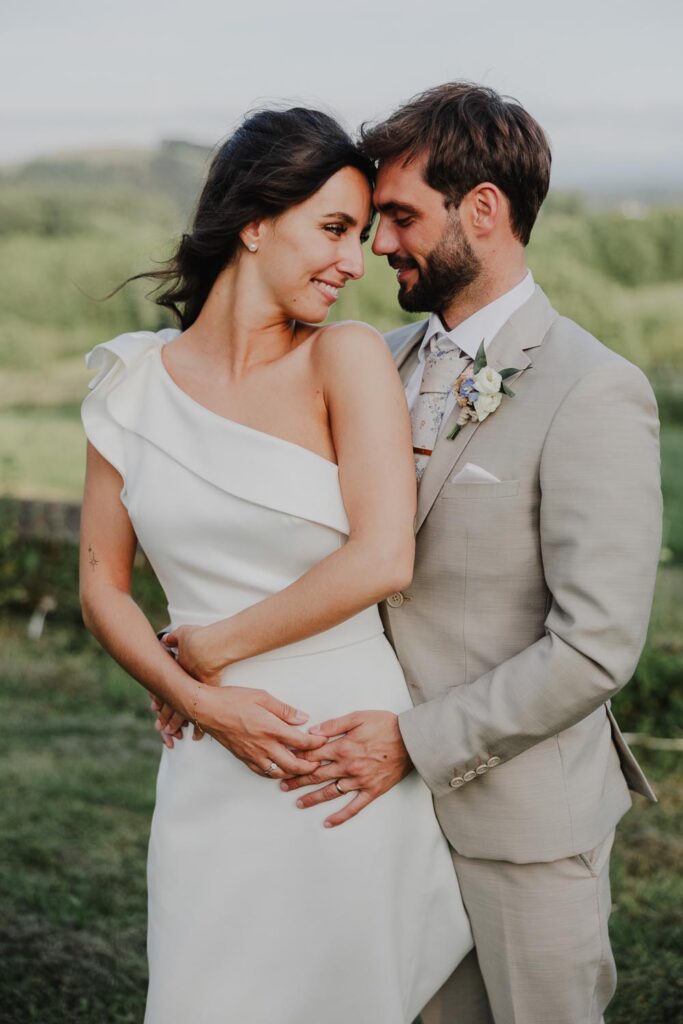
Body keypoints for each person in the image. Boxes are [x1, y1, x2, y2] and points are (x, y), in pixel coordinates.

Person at [79, 106, 472, 1024]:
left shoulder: (346, 357)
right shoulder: (129, 387)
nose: (353, 257)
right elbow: (102, 588)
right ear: (254, 221)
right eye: (333, 227)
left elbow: (382, 557)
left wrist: (209, 651)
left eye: (364, 232)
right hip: (206, 756)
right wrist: (199, 701)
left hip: (334, 751)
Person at [281, 83, 663, 1023]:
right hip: (376, 821)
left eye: (401, 218)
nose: (377, 247)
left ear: (482, 210)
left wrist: (410, 743)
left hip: (522, 828)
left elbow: (593, 647)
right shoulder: (370, 360)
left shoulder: (594, 389)